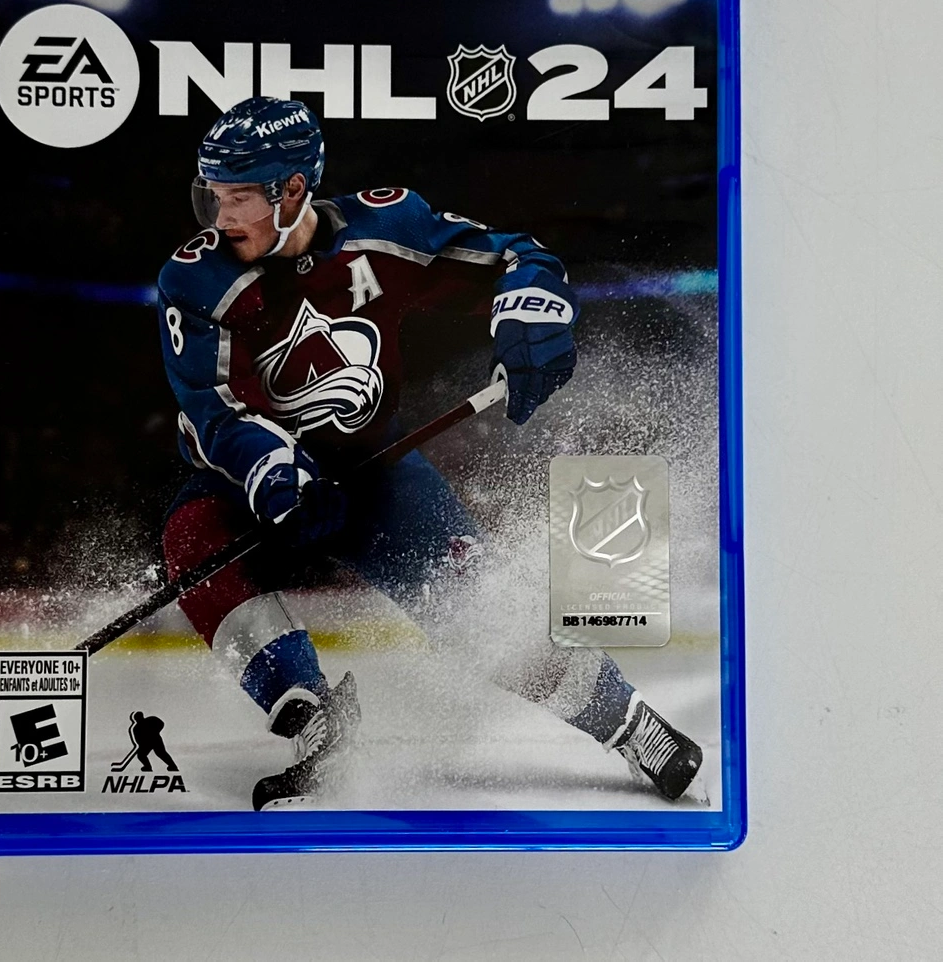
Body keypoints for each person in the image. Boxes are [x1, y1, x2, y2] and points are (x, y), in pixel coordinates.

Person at [156, 96, 702, 810]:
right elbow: (213, 407)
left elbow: (514, 255)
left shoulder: (388, 227)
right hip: (249, 482)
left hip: (374, 469)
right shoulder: (195, 279)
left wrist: (532, 310)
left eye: (239, 199)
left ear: (292, 189)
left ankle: (628, 724)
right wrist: (277, 469)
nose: (220, 218)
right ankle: (315, 718)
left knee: (475, 604)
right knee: (192, 542)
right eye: (212, 197)